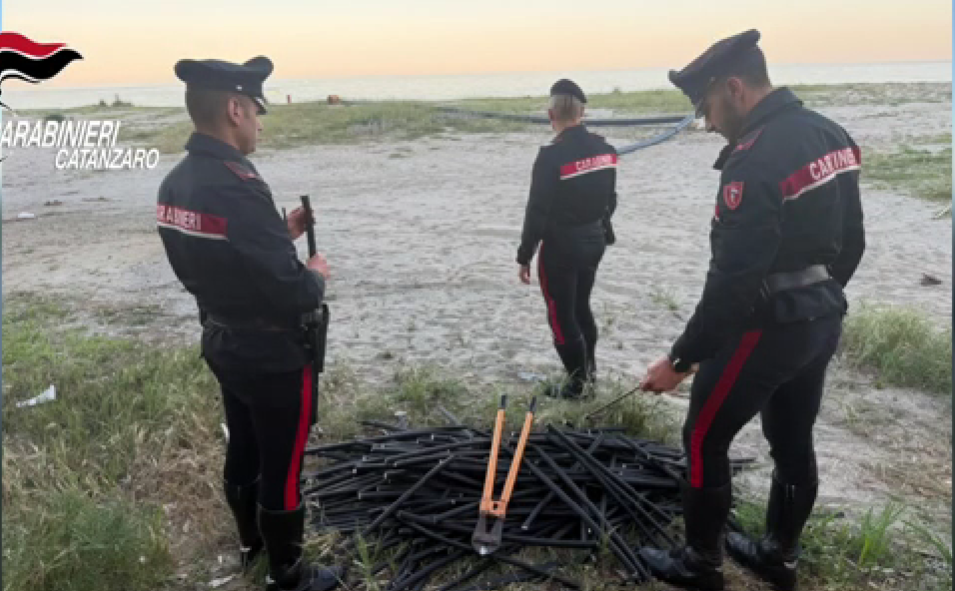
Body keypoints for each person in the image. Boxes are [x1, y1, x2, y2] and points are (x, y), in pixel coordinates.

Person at [637, 30, 865, 591]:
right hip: (821, 319)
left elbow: (733, 282)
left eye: (706, 109)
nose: (708, 124)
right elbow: (853, 240)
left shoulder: (755, 156)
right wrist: (818, 299)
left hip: (765, 327)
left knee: (702, 438)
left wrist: (681, 359)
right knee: (791, 441)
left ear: (734, 88)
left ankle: (700, 565)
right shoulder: (831, 133)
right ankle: (778, 556)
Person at [156, 56, 344, 591]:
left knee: (243, 446)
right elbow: (289, 289)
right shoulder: (238, 183)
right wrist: (314, 273)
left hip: (223, 339)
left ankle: (250, 547)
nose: (260, 122)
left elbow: (224, 258)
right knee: (282, 465)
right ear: (235, 108)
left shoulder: (175, 184)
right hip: (274, 355)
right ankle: (289, 575)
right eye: (257, 111)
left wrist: (278, 234)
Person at [516, 79, 619, 399]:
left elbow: (537, 210)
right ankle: (589, 374)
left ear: (551, 115)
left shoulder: (551, 155)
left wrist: (525, 254)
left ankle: (576, 385)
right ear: (582, 112)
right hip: (594, 240)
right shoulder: (606, 150)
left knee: (561, 315)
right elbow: (611, 200)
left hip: (562, 246)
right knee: (581, 307)